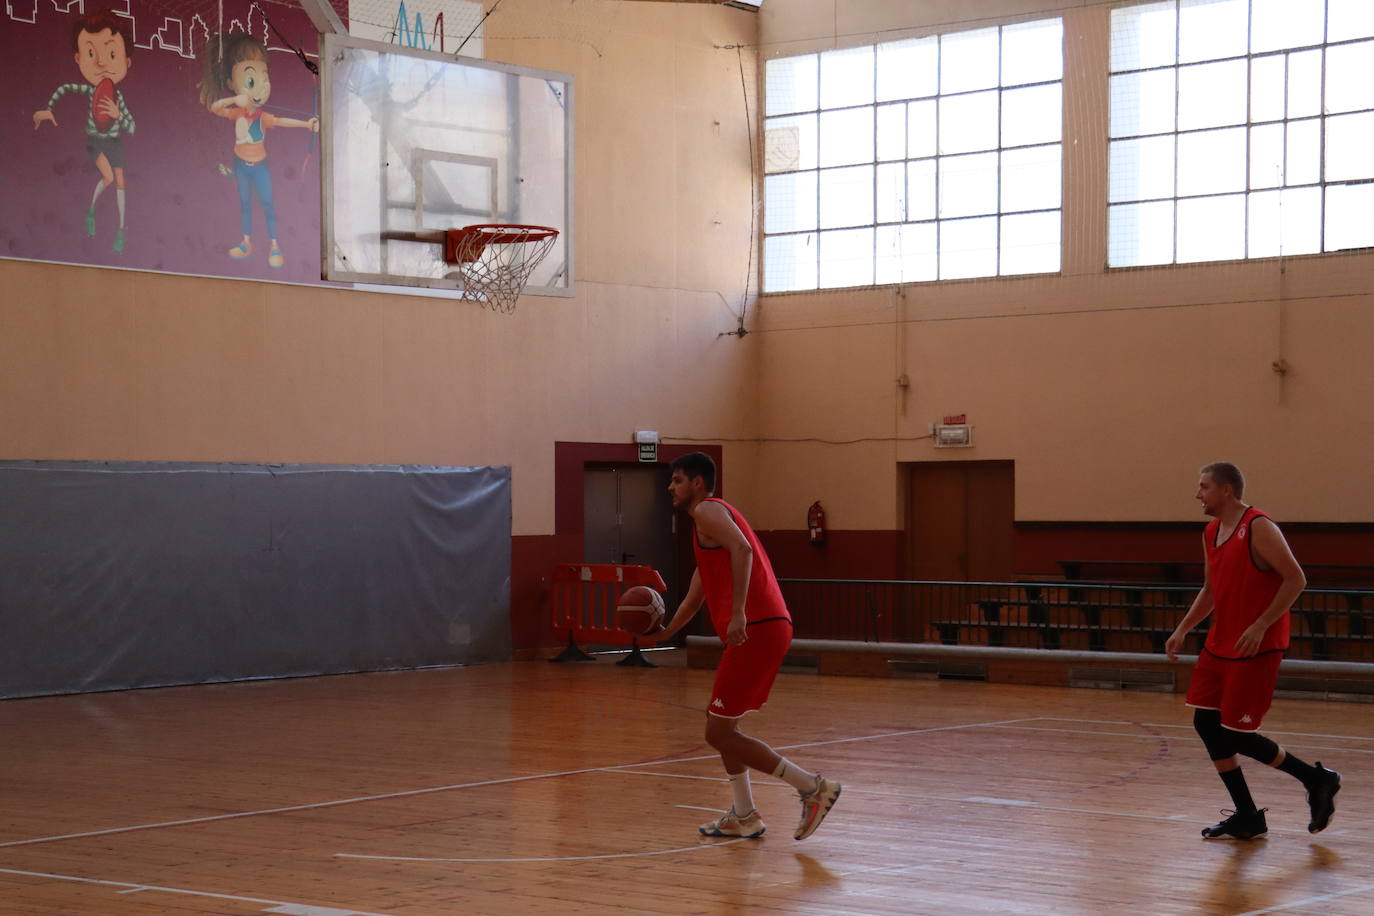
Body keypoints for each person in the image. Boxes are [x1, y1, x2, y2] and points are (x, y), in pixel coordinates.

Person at [649, 452, 841, 841]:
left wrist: (738, 613)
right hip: (764, 627)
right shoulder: (708, 525)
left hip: (757, 626)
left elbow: (745, 551)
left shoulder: (708, 512)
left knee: (718, 733)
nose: (671, 487)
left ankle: (813, 787)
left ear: (698, 484)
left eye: (678, 479)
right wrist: (665, 633)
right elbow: (694, 597)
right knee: (721, 726)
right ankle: (744, 815)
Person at [1165, 462, 1341, 840]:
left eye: (1204, 487)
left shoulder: (1259, 527)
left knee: (1239, 735)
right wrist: (1183, 628)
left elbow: (1297, 579)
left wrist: (1261, 624)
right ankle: (1247, 815)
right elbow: (1211, 590)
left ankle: (1317, 779)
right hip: (1220, 643)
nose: (1198, 494)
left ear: (1226, 490)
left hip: (1255, 646)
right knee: (1205, 724)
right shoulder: (1211, 531)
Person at [198, 32, 319, 269]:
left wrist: (306, 124)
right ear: (232, 83)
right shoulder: (237, 112)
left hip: (259, 166)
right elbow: (215, 107)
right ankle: (246, 243)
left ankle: (274, 244)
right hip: (241, 164)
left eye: (264, 79)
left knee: (267, 203)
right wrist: (234, 101)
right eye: (251, 80)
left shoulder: (262, 117)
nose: (261, 88)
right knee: (245, 204)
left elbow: (282, 121)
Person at [33, 9, 136, 253]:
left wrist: (117, 115)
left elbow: (132, 126)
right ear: (79, 58)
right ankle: (90, 211)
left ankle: (121, 229)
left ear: (126, 62)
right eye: (91, 53)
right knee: (108, 178)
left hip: (115, 143)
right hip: (95, 142)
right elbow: (65, 88)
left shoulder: (117, 97)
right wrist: (48, 108)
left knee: (120, 182)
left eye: (111, 53)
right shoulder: (91, 91)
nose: (101, 61)